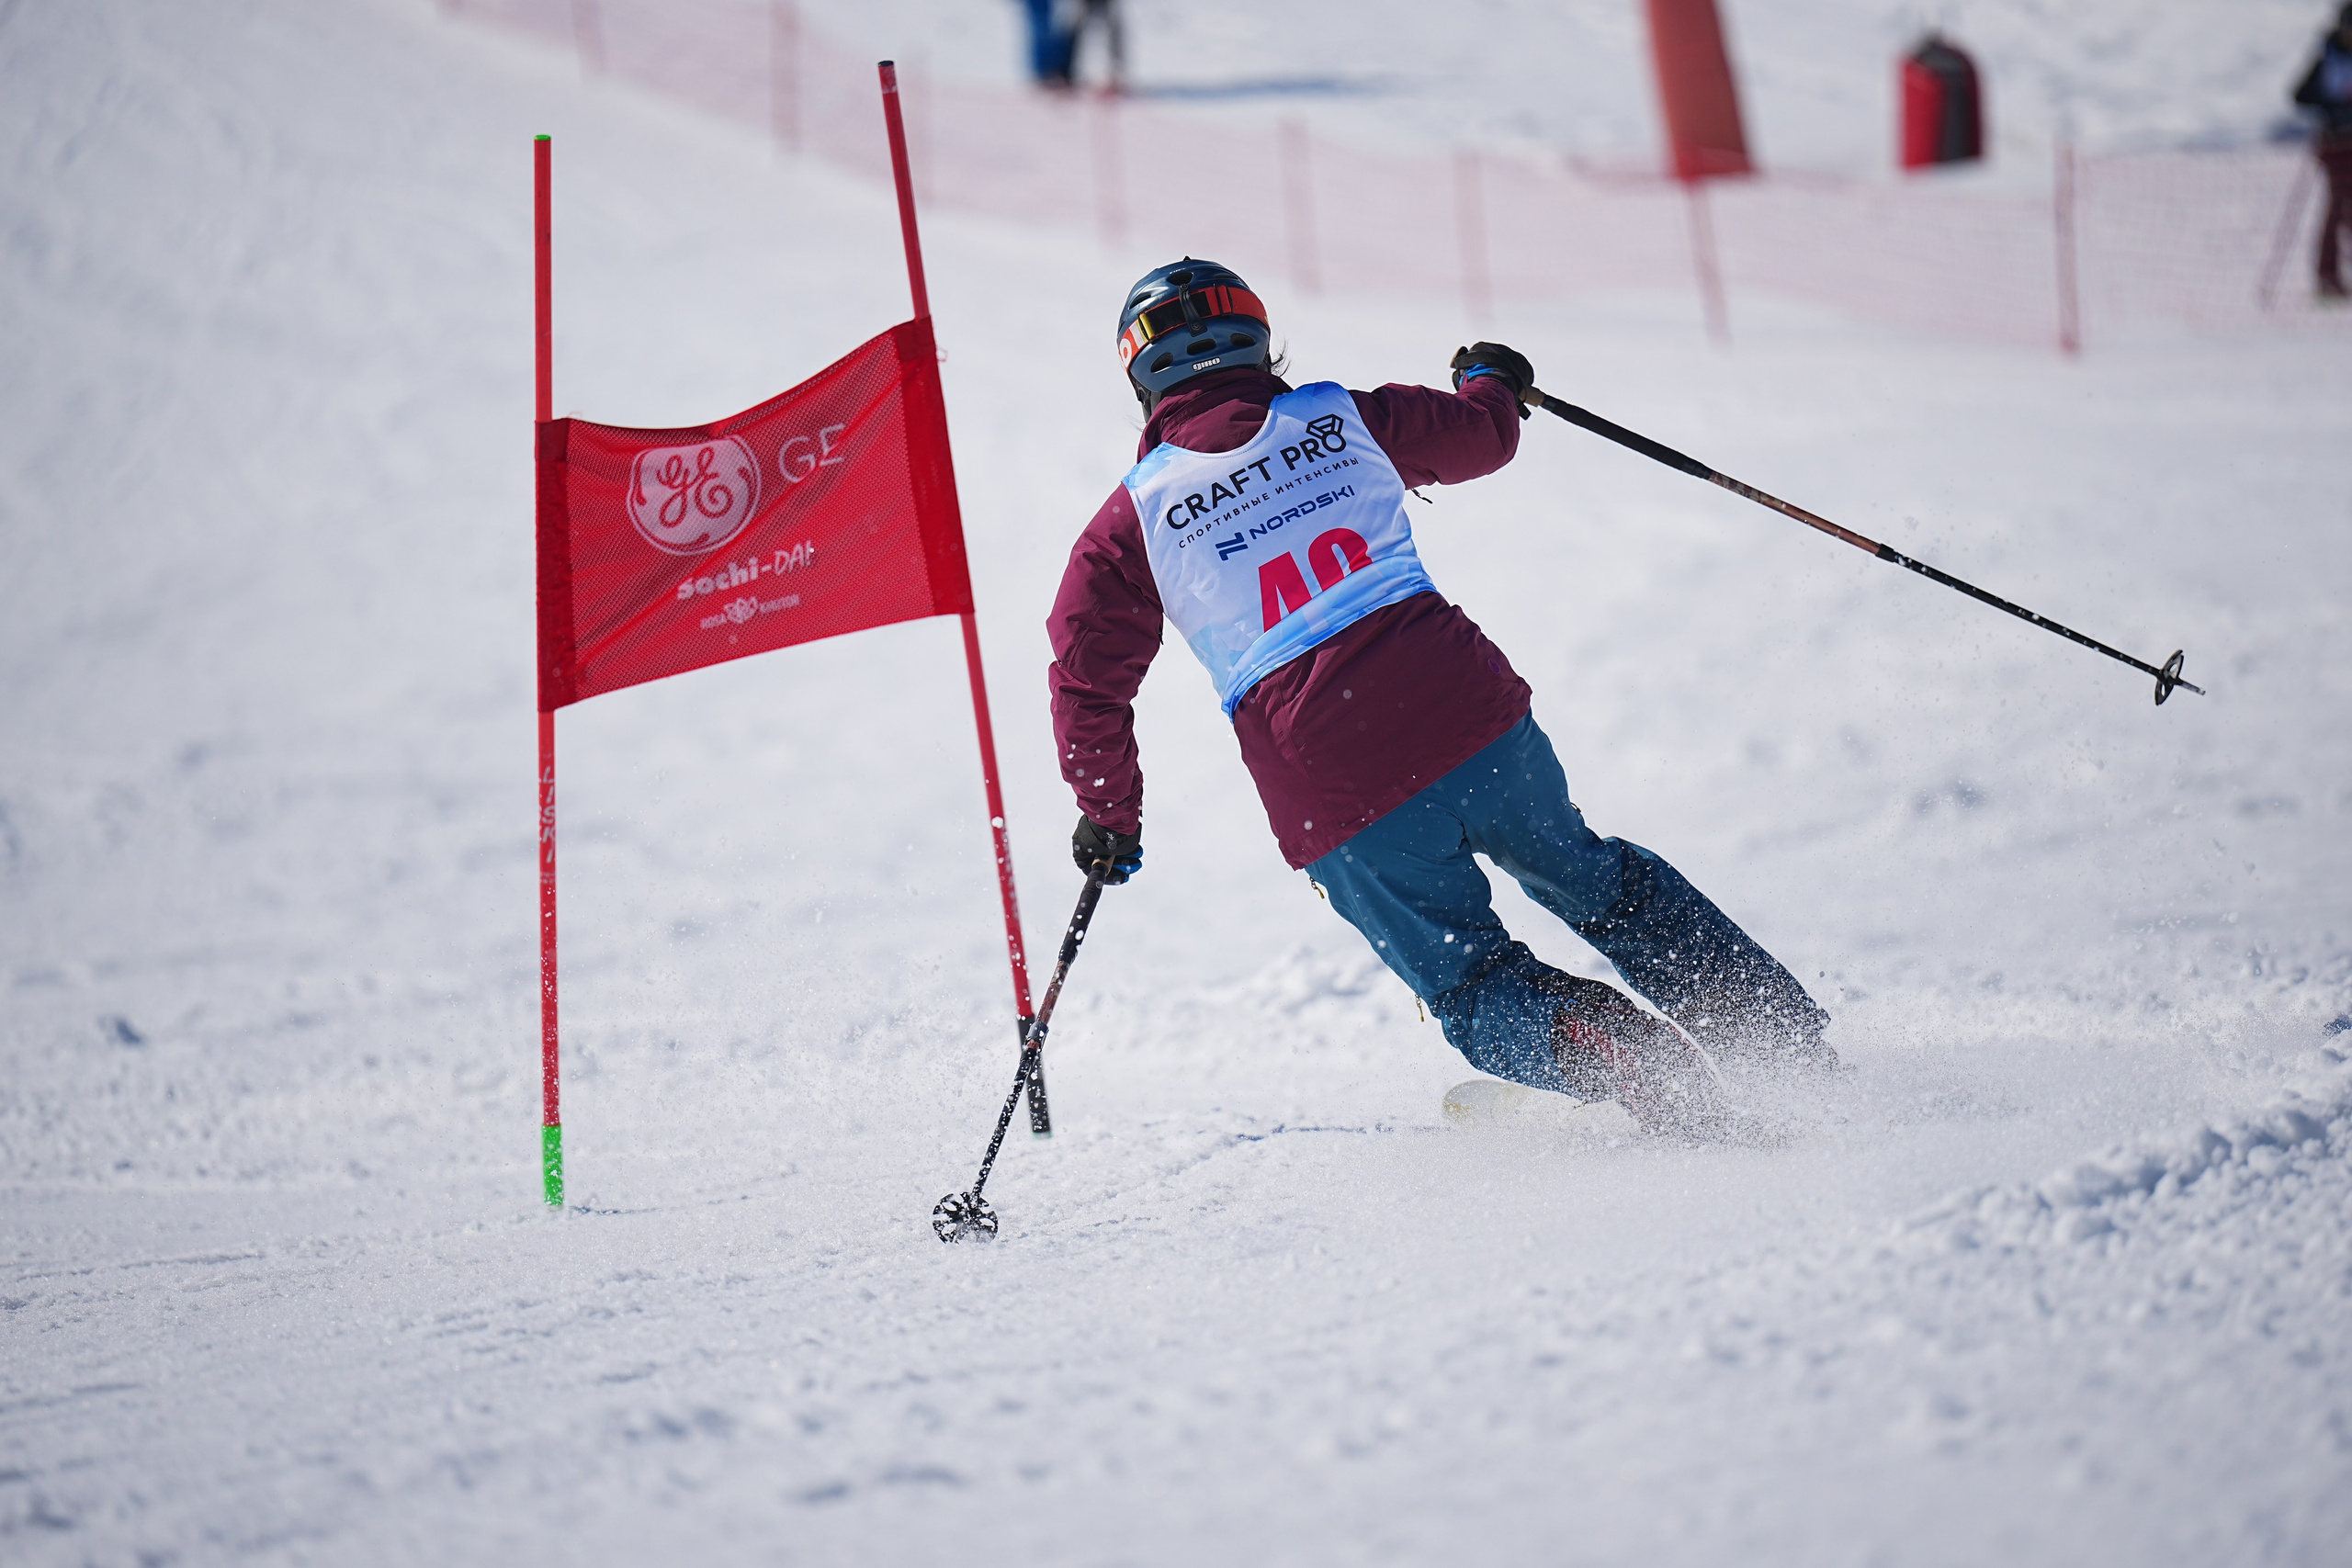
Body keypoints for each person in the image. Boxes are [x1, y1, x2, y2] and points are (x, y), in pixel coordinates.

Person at [1046, 260, 1837, 1136]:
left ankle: (1604, 1049)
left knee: (1468, 978)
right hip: (1469, 714)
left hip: (1334, 785)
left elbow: (1086, 681)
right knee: (1597, 881)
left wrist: (1111, 814)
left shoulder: (1129, 523)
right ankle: (1779, 1043)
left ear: (1140, 372)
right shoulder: (1342, 415)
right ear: (1259, 340)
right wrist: (1492, 381)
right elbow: (1481, 437)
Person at [2293, 3, 2352, 299]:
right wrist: (2333, 107)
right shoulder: (2327, 57)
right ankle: (2327, 276)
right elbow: (2299, 94)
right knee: (2340, 206)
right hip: (2335, 145)